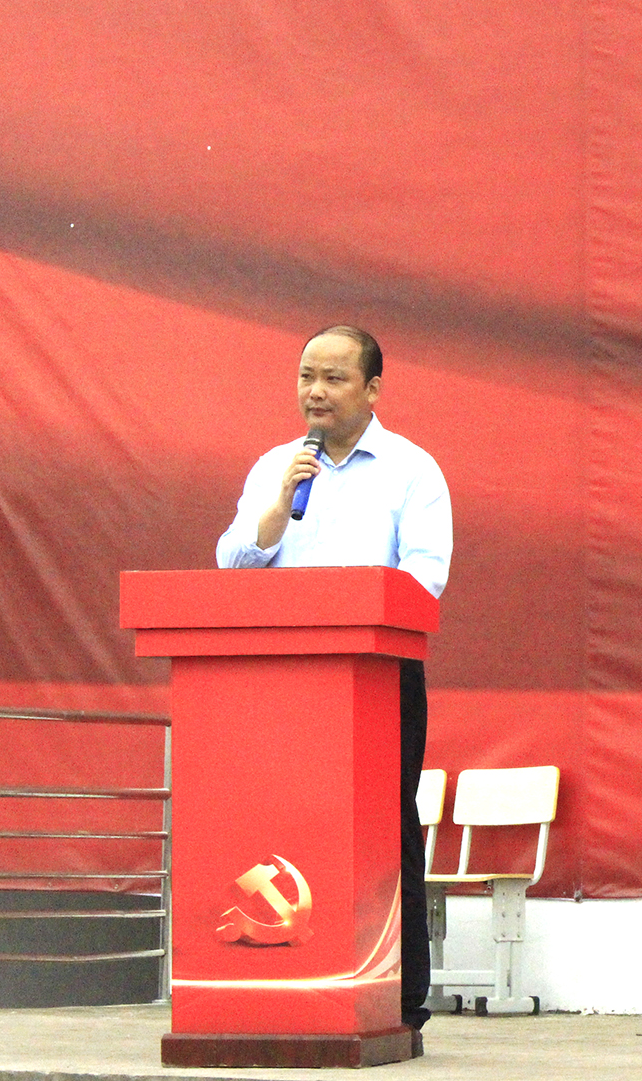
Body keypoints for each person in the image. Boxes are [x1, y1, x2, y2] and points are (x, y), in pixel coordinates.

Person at [216, 324, 452, 1039]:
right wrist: (276, 508)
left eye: (333, 378)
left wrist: (356, 606)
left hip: (378, 679)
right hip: (284, 681)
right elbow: (232, 563)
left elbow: (425, 577)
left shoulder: (412, 470)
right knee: (285, 822)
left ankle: (398, 998)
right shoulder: (276, 467)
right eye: (306, 377)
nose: (315, 392)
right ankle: (291, 982)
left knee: (385, 826)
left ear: (372, 389)